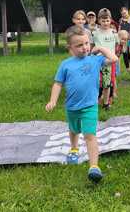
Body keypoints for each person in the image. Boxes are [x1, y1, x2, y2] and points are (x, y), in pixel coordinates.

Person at [45, 25, 118, 183]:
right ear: (70, 47)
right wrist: (53, 100)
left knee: (90, 135)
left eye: (86, 43)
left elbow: (114, 59)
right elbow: (58, 84)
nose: (85, 47)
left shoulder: (95, 60)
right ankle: (74, 148)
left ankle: (94, 166)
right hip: (72, 107)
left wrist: (100, 48)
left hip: (90, 106)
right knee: (73, 130)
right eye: (79, 45)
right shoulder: (65, 64)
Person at [92, 8, 119, 110]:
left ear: (110, 20)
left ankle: (106, 103)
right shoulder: (95, 33)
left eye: (107, 20)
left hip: (109, 61)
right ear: (99, 21)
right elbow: (91, 47)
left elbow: (117, 46)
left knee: (107, 84)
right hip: (97, 61)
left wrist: (116, 56)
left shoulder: (113, 33)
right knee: (97, 84)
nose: (105, 23)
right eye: (103, 21)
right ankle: (94, 102)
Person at [118, 7, 130, 72]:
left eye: (125, 13)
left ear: (127, 11)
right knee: (125, 52)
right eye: (122, 13)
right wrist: (119, 37)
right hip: (124, 39)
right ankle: (127, 67)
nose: (124, 14)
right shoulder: (121, 20)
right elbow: (119, 29)